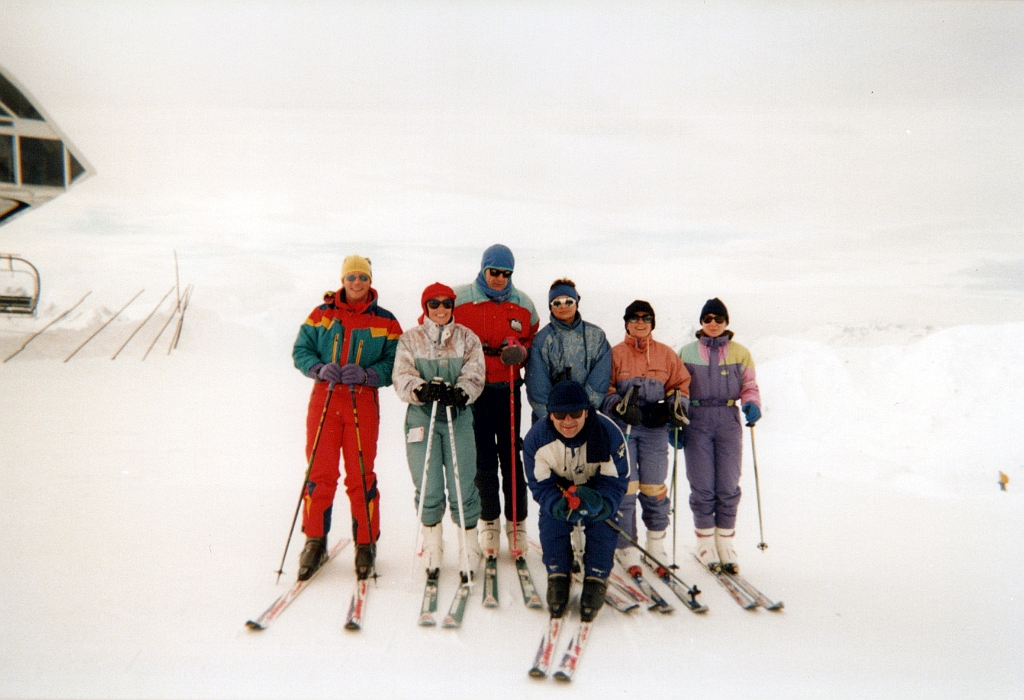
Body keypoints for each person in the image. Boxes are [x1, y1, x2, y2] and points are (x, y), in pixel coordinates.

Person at [291, 255, 402, 581]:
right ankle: (315, 541)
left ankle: (366, 543)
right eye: (351, 277)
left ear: (370, 281)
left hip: (362, 400)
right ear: (343, 280)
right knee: (320, 472)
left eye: (362, 277)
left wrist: (369, 374)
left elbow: (394, 362)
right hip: (325, 397)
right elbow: (301, 350)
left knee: (360, 474)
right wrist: (318, 368)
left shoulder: (386, 321)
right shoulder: (322, 315)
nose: (357, 282)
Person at [392, 283, 486, 579]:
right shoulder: (411, 339)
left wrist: (461, 392)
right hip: (423, 416)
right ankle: (432, 543)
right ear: (426, 307)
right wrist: (420, 389)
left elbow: (475, 373)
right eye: (435, 304)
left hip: (456, 415)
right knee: (428, 480)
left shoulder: (467, 338)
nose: (441, 309)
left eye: (447, 303)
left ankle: (469, 545)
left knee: (463, 479)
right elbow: (401, 375)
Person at [452, 244, 539, 561]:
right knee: (482, 457)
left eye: (506, 273)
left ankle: (517, 524)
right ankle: (489, 522)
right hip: (474, 390)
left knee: (511, 457)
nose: (500, 278)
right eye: (495, 272)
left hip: (508, 389)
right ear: (483, 269)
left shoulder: (523, 304)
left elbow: (532, 337)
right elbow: (434, 325)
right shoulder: (460, 299)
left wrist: (522, 350)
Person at [524, 380, 629, 622]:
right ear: (550, 415)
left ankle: (597, 576)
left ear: (587, 411)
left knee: (602, 520)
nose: (568, 421)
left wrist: (602, 503)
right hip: (561, 488)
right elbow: (540, 484)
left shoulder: (608, 433)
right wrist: (554, 502)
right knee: (552, 520)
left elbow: (616, 480)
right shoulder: (536, 440)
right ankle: (558, 573)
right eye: (560, 414)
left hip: (596, 486)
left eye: (575, 413)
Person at [603, 300, 691, 572]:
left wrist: (674, 410)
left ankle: (656, 545)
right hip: (624, 428)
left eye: (646, 318)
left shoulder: (666, 355)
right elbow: (603, 389)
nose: (640, 322)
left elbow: (680, 386)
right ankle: (626, 547)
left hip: (654, 429)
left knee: (654, 486)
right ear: (626, 322)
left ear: (652, 323)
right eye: (634, 318)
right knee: (626, 488)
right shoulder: (615, 354)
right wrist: (618, 405)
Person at [677, 298, 761, 574]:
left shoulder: (740, 353)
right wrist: (675, 420)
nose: (713, 323)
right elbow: (680, 389)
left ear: (726, 322)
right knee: (702, 483)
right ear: (701, 321)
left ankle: (725, 542)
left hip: (728, 418)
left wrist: (751, 404)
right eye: (708, 318)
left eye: (718, 319)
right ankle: (705, 543)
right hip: (697, 420)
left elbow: (749, 384)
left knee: (728, 482)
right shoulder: (687, 352)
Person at [525, 278, 612, 422]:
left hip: (586, 415)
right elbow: (537, 387)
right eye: (557, 303)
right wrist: (552, 418)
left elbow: (600, 378)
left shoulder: (596, 336)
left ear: (577, 303)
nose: (563, 306)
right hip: (551, 417)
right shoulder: (541, 341)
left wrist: (584, 411)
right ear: (550, 307)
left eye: (569, 301)